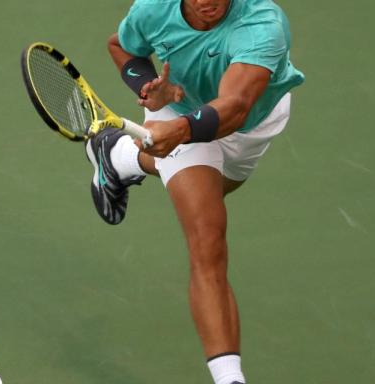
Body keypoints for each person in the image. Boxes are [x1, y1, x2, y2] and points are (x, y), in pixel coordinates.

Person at [85, 0, 305, 383]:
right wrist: (148, 87)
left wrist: (182, 131)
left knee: (218, 187)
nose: (208, 1)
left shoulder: (262, 23)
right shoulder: (153, 9)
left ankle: (119, 155)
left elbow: (235, 107)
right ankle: (229, 377)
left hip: (249, 123)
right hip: (176, 112)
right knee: (207, 238)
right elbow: (122, 47)